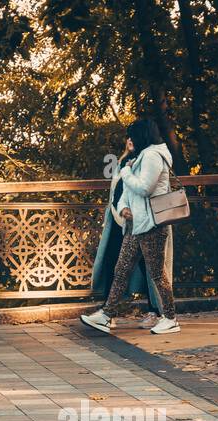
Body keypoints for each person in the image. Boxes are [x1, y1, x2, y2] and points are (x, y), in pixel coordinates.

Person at [81, 118, 180, 335]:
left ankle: (171, 318)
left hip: (152, 225)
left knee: (156, 274)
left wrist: (125, 171)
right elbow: (127, 191)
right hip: (136, 224)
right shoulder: (141, 156)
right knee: (121, 269)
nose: (130, 140)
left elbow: (144, 188)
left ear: (141, 136)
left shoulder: (153, 156)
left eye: (133, 136)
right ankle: (106, 315)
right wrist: (124, 206)